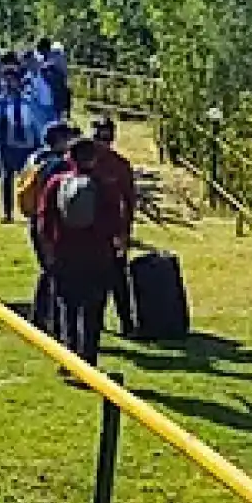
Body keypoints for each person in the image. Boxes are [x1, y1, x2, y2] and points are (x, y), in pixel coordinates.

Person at [39, 137, 122, 366]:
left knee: (68, 308)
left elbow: (45, 219)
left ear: (69, 157)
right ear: (94, 159)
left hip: (64, 254)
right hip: (98, 257)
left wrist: (49, 250)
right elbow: (115, 221)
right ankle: (89, 359)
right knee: (93, 311)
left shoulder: (56, 183)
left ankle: (69, 358)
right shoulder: (106, 185)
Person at [21, 121, 73, 332]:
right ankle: (53, 321)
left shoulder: (35, 159)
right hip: (52, 224)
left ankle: (39, 316)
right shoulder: (59, 165)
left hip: (35, 220)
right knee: (56, 272)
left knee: (48, 270)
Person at [93, 116, 137, 337]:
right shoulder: (83, 162)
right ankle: (96, 322)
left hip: (111, 233)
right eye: (99, 137)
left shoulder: (119, 166)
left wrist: (125, 234)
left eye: (106, 138)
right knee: (96, 284)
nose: (103, 143)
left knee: (119, 281)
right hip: (90, 234)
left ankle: (127, 323)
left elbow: (129, 201)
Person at [0, 67, 43, 222]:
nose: (8, 84)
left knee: (30, 178)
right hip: (7, 145)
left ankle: (31, 209)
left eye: (11, 80)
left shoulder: (29, 100)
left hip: (29, 144)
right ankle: (7, 213)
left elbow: (37, 122)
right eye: (5, 80)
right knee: (7, 177)